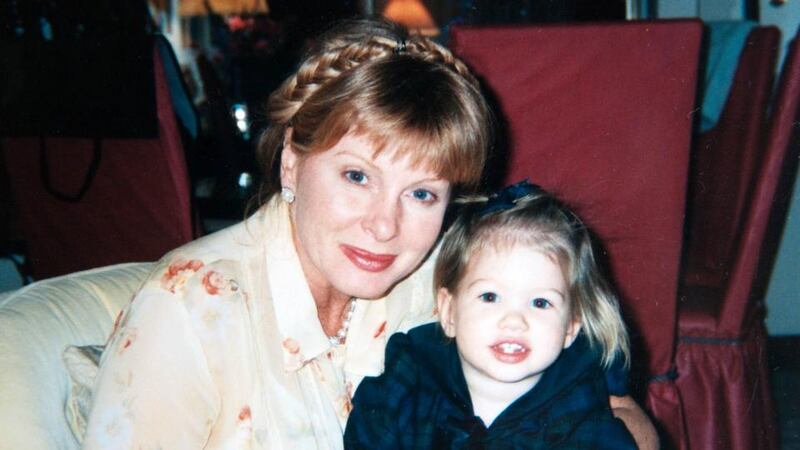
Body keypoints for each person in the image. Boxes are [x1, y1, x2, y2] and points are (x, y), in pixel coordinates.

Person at [83, 17, 657, 450]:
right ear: (291, 162)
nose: (385, 226)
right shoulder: (189, 312)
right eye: (357, 176)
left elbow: (617, 410)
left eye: (422, 193)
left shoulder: (449, 285)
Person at [344, 181, 637, 449]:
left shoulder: (584, 412)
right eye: (490, 297)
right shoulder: (407, 385)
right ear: (449, 312)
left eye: (540, 303)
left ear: (571, 328)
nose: (514, 321)